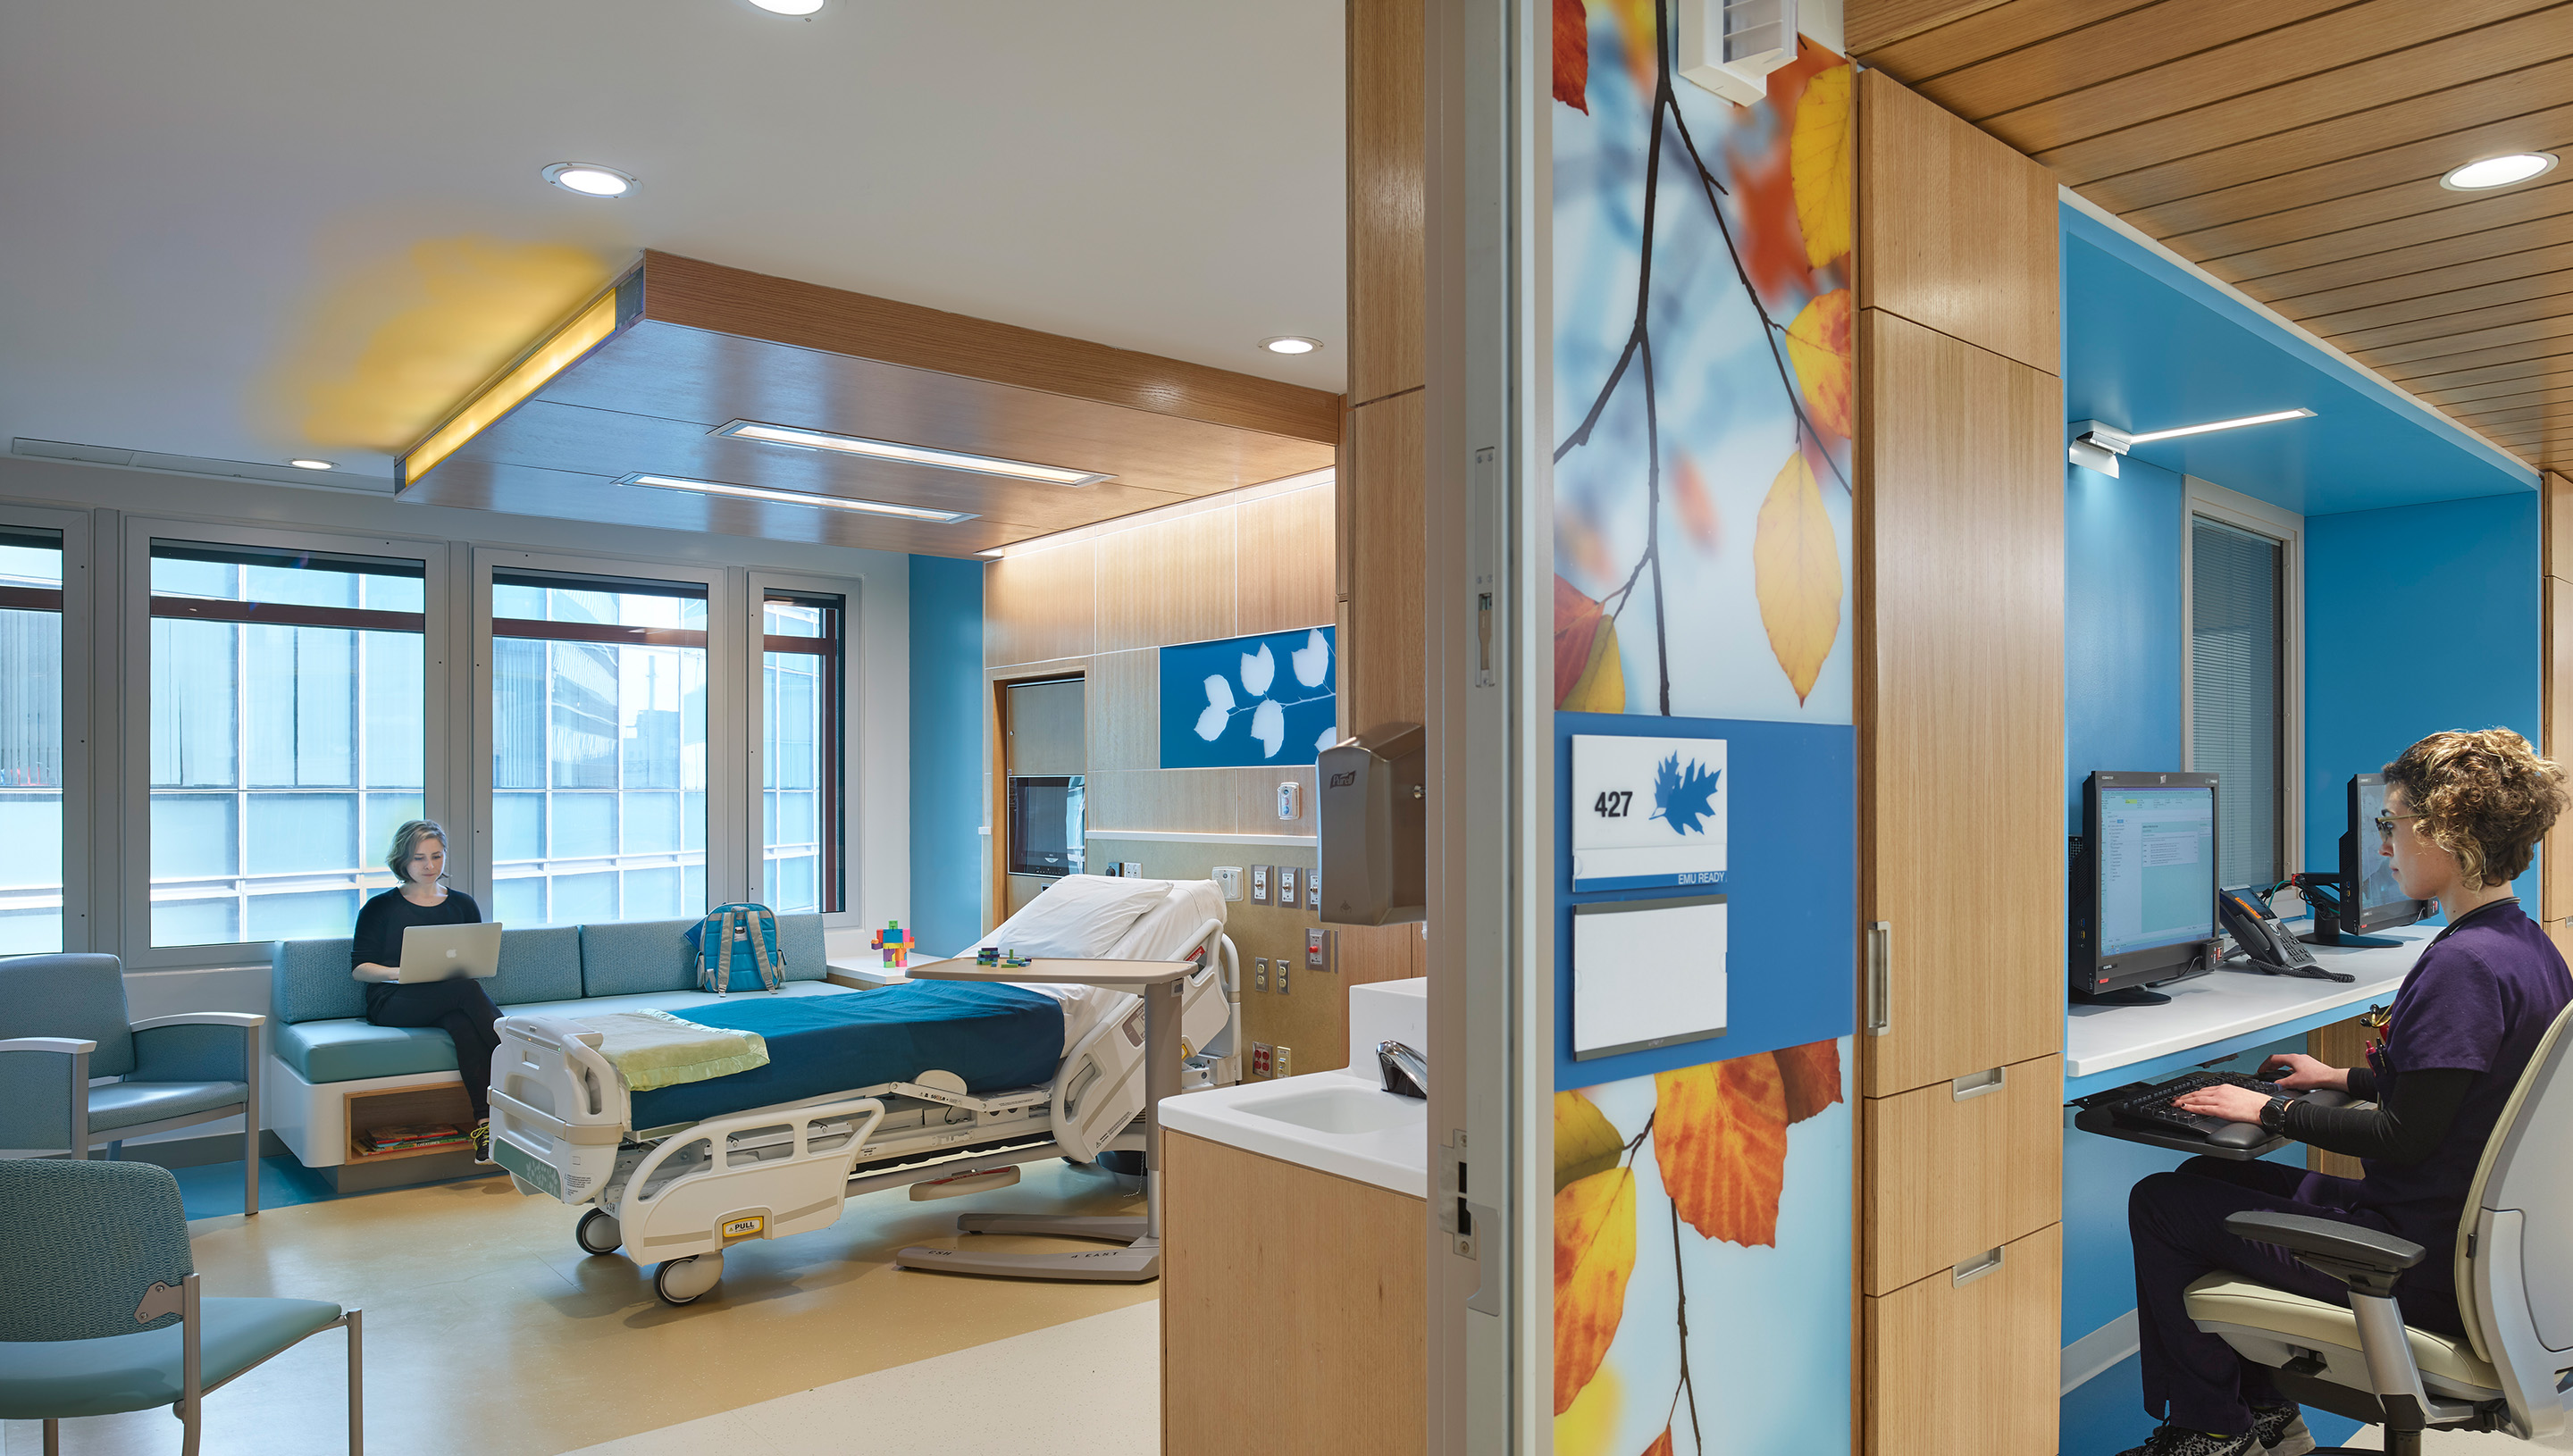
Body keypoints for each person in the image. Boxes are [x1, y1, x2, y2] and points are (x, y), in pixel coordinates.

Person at [2111, 729, 2573, 1456]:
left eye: (2393, 825)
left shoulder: (2462, 968)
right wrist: (2340, 1079)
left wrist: (2269, 1110)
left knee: (2162, 1203)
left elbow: (2404, 1136)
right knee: (2206, 1174)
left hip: (2413, 1258)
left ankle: (2210, 1429)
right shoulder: (2524, 946)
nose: (2385, 847)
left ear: (2446, 831)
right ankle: (2262, 1415)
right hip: (2468, 1247)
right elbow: (2463, 1091)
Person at [351, 819, 499, 1161]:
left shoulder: (463, 905)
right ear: (402, 860)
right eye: (419, 858)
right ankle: (522, 1055)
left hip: (448, 999)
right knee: (465, 991)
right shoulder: (380, 907)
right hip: (392, 999)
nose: (430, 866)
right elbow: (361, 969)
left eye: (437, 856)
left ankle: (486, 1128)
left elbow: (473, 958)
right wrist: (401, 973)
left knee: (463, 1024)